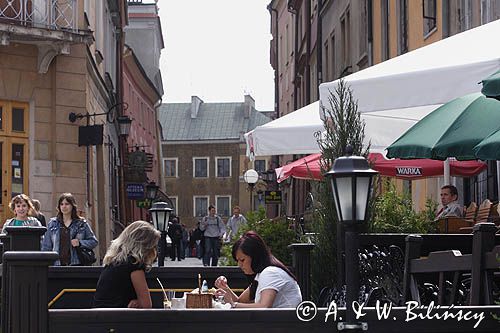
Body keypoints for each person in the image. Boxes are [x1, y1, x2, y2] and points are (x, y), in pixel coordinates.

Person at [214, 231, 302, 308]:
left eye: (242, 260)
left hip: (287, 325)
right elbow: (240, 302)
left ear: (255, 256)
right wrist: (225, 288)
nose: (239, 265)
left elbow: (264, 306)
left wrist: (232, 304)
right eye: (238, 261)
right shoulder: (261, 275)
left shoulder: (270, 273)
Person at [93, 221, 160, 308]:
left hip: (99, 315)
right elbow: (146, 305)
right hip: (118, 318)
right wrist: (139, 302)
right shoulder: (133, 263)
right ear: (145, 246)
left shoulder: (114, 261)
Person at [41, 193, 98, 266]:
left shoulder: (81, 224)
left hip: (76, 264)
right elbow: (46, 247)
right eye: (61, 204)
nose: (64, 206)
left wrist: (80, 243)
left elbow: (93, 242)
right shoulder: (53, 223)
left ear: (72, 206)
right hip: (57, 265)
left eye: (67, 204)